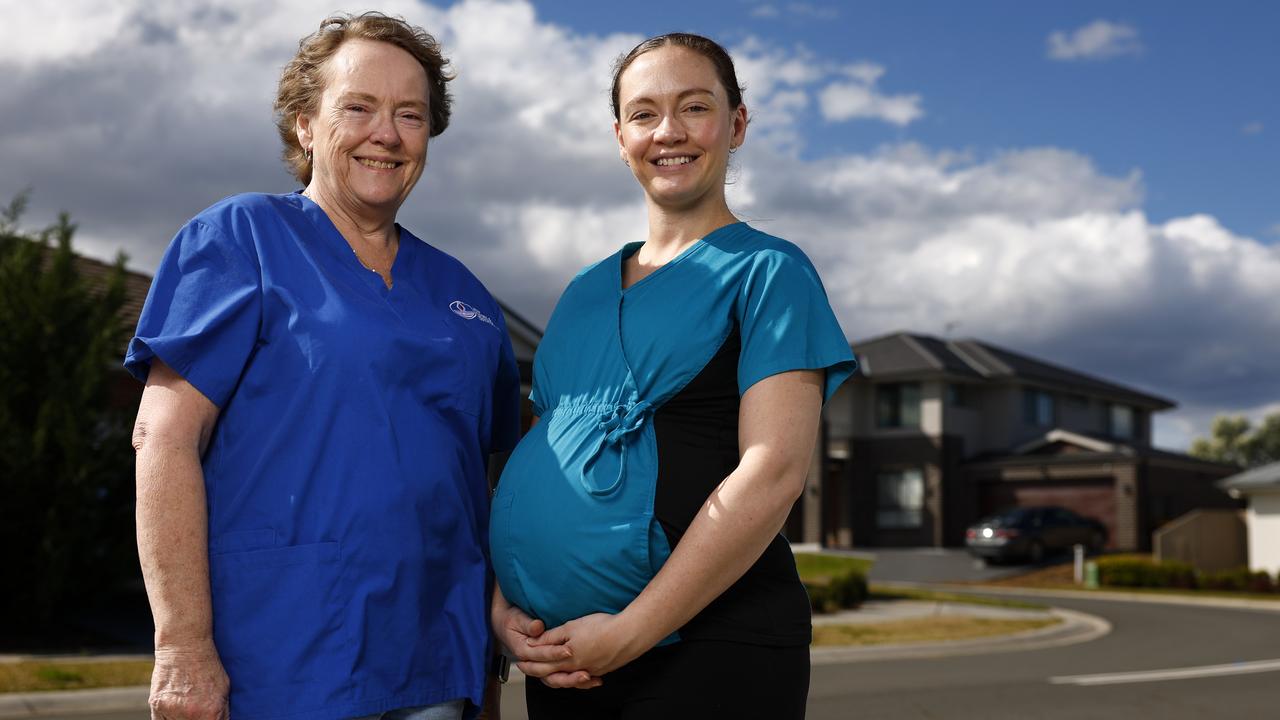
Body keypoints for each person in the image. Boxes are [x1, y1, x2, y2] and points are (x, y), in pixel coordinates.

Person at [127, 13, 526, 720]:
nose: (387, 133)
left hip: (437, 663)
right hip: (281, 661)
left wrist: (487, 668)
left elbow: (490, 488)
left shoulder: (467, 296)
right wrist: (182, 645)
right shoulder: (241, 238)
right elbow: (163, 439)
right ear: (305, 125)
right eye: (359, 107)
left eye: (411, 114)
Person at [489, 32, 858, 719]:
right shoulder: (581, 292)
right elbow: (542, 464)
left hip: (709, 652)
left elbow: (773, 473)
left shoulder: (768, 272)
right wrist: (504, 607)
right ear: (619, 135)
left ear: (737, 123)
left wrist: (633, 631)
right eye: (644, 113)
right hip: (566, 658)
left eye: (695, 107)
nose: (669, 132)